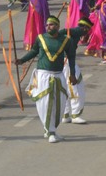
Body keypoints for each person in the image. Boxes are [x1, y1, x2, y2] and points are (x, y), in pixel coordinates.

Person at [17, 15, 78, 143]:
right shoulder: (40, 38)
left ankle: (51, 129)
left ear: (57, 26)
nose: (48, 27)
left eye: (51, 24)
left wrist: (72, 74)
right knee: (46, 103)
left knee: (59, 105)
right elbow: (34, 51)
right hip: (43, 75)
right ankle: (50, 132)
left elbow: (71, 58)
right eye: (47, 25)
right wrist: (22, 60)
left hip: (59, 75)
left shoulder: (67, 40)